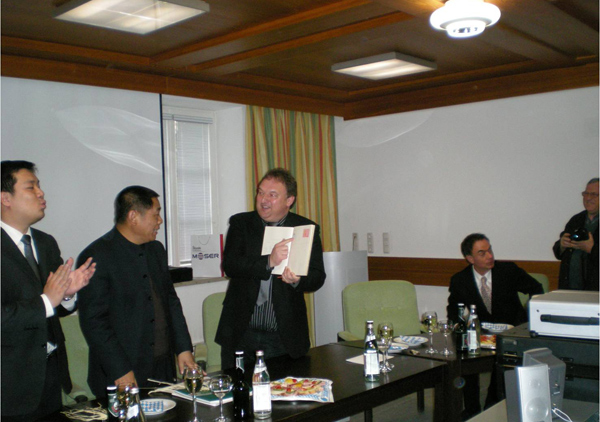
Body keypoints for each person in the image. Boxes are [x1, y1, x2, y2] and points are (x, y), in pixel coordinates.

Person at [77, 185, 196, 398]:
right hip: (122, 371)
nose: (160, 221)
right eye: (156, 214)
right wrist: (120, 369)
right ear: (133, 216)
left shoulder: (156, 250)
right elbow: (94, 322)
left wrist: (183, 348)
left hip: (162, 365)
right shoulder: (97, 256)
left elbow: (170, 301)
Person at [1, 160, 96, 421]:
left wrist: (67, 294)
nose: (41, 193)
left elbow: (56, 308)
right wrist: (47, 300)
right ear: (5, 198)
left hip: (51, 376)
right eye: (31, 187)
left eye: (39, 186)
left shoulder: (45, 242)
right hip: (9, 385)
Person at [216, 168, 326, 371]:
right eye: (260, 192)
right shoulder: (241, 223)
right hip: (241, 332)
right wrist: (269, 261)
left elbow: (318, 277)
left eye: (272, 195)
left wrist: (297, 280)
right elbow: (230, 265)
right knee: (237, 388)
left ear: (289, 200)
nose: (263, 200)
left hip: (283, 336)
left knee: (281, 389)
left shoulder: (305, 228)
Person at [447, 233, 544, 420]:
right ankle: (472, 410)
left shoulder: (508, 271)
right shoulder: (460, 279)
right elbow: (454, 310)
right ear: (470, 259)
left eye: (489, 249)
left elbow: (536, 289)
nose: (490, 256)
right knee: (464, 355)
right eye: (482, 253)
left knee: (501, 366)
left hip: (511, 333)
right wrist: (458, 327)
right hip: (481, 334)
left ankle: (492, 407)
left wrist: (527, 318)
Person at [553, 178, 599, 291]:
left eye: (594, 194)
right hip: (569, 288)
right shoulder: (576, 219)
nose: (588, 198)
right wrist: (562, 245)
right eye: (586, 194)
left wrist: (592, 249)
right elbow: (558, 251)